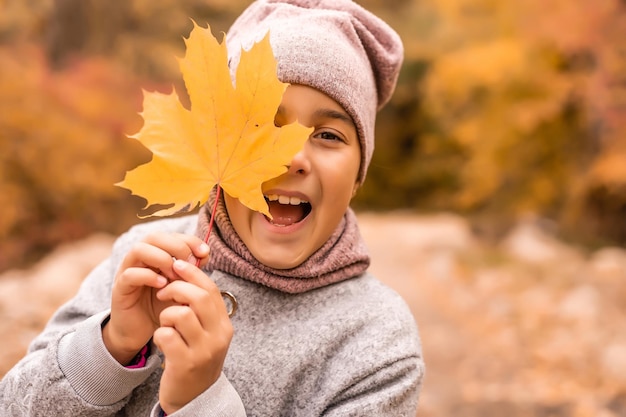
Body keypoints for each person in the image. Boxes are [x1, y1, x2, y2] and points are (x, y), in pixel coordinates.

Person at [0, 0, 424, 415]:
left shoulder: (379, 342)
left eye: (328, 135)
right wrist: (112, 345)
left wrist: (199, 402)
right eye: (259, 127)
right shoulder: (142, 260)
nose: (292, 156)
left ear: (356, 179)